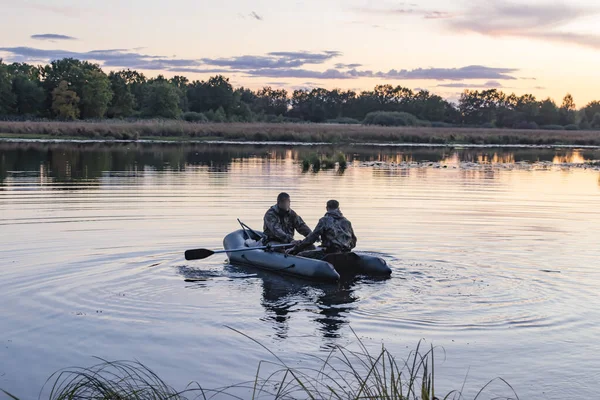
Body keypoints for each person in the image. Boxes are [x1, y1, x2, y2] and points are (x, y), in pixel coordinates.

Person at [287, 200, 357, 258]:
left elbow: (311, 238)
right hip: (345, 252)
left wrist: (296, 248)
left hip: (329, 253)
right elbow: (353, 240)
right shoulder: (347, 222)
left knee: (300, 255)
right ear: (338, 208)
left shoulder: (324, 220)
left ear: (327, 208)